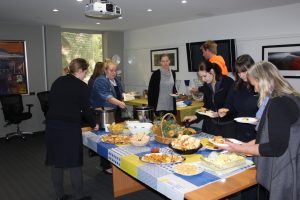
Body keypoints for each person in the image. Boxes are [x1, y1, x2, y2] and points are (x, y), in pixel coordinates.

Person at [221, 61, 300, 200]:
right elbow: (265, 138)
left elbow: (276, 147)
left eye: (254, 85)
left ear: (262, 81)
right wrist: (239, 146)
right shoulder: (289, 97)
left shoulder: (278, 103)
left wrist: (241, 149)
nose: (255, 90)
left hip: (286, 168)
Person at [45, 58, 99, 200]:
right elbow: (87, 110)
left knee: (56, 161)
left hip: (52, 125)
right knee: (75, 161)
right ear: (80, 71)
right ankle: (79, 196)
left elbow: (51, 102)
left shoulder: (58, 81)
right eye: (85, 72)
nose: (85, 75)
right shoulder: (82, 86)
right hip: (69, 127)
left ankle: (59, 196)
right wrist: (94, 124)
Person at [184, 60, 235, 137]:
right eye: (201, 77)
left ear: (212, 72)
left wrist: (221, 113)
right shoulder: (206, 86)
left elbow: (233, 105)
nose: (203, 79)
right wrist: (195, 116)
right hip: (213, 126)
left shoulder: (228, 82)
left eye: (205, 76)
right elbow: (206, 106)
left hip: (228, 126)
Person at [219, 54, 259, 142]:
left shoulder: (260, 85)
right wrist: (225, 111)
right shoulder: (236, 85)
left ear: (252, 68)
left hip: (257, 131)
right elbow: (229, 105)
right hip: (240, 130)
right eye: (238, 72)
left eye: (244, 71)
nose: (241, 75)